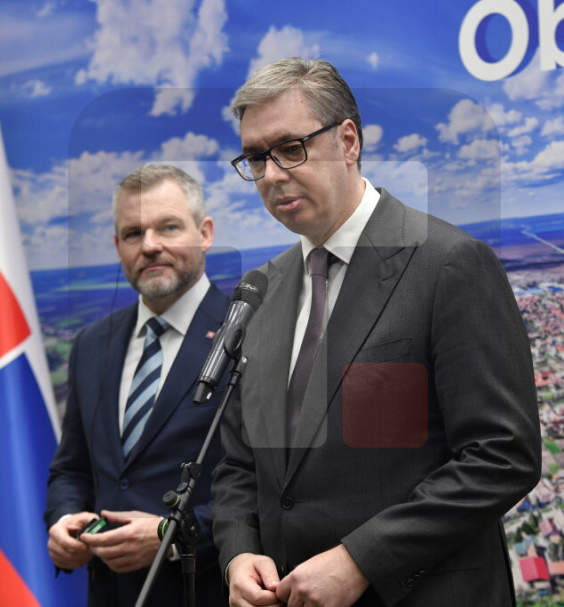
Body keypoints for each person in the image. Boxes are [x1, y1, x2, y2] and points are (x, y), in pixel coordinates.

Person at [211, 58, 542, 606]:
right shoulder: (260, 290)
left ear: (347, 142)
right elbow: (239, 463)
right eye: (256, 158)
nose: (270, 175)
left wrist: (361, 559)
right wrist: (238, 552)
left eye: (290, 148)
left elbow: (502, 455)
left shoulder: (449, 263)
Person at [46, 164, 228, 606]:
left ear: (205, 233)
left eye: (168, 227)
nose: (149, 245)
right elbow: (73, 468)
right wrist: (65, 519)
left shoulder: (250, 334)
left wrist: (175, 535)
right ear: (118, 247)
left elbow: (273, 489)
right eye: (133, 234)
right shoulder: (91, 344)